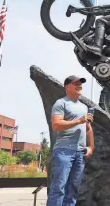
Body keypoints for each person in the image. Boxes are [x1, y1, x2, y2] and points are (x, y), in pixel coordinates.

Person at [47, 75, 95, 206]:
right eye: (76, 83)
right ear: (67, 87)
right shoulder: (61, 103)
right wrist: (78, 120)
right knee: (58, 188)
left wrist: (91, 147)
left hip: (80, 152)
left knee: (73, 188)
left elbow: (88, 128)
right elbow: (56, 125)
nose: (79, 85)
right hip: (64, 151)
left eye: (80, 83)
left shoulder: (84, 107)